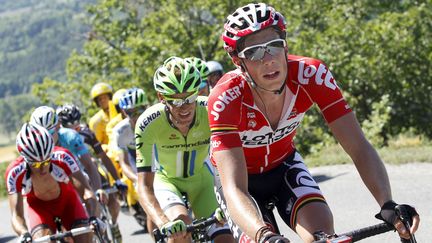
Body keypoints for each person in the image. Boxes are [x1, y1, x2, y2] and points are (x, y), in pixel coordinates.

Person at [207, 3, 420, 243]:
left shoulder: (311, 75)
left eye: (274, 46)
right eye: (254, 52)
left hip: (284, 165)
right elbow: (234, 187)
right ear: (238, 60)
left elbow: (358, 147)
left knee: (322, 236)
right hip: (241, 182)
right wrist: (264, 235)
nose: (268, 60)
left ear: (285, 44)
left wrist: (387, 203)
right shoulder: (225, 98)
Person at [135, 57, 233, 243]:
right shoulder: (148, 123)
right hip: (168, 183)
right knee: (180, 230)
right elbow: (144, 186)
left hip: (203, 181)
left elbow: (232, 158)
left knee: (226, 238)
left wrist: (231, 199)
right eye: (176, 102)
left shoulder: (212, 110)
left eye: (190, 99)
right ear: (161, 97)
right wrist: (163, 223)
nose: (185, 108)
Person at [6, 123, 100, 242]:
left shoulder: (63, 156)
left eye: (46, 161)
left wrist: (93, 216)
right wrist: (24, 233)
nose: (42, 168)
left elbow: (86, 191)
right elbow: (17, 215)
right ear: (25, 159)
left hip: (68, 203)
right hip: (39, 209)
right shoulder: (14, 172)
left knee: (84, 238)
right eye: (35, 164)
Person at [56, 104, 128, 242]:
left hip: (91, 169)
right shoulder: (58, 139)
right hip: (71, 175)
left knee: (112, 201)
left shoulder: (87, 133)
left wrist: (117, 179)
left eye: (77, 122)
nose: (75, 127)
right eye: (69, 125)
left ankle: (113, 224)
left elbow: (103, 156)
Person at [30, 106, 106, 206]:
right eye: (42, 135)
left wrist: (98, 190)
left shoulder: (70, 137)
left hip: (78, 172)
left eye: (50, 132)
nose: (47, 138)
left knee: (90, 200)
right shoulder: (33, 146)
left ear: (57, 125)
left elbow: (89, 165)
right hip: (57, 179)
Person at [111, 87, 153, 231]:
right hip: (135, 160)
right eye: (130, 112)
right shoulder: (120, 131)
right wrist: (137, 180)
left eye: (140, 110)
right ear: (124, 113)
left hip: (157, 156)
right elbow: (124, 163)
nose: (136, 116)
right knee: (151, 208)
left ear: (147, 107)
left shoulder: (156, 120)